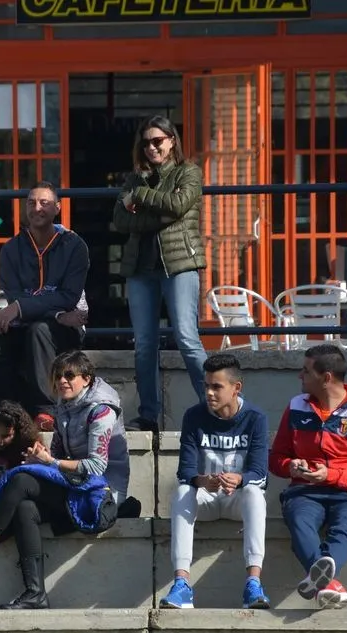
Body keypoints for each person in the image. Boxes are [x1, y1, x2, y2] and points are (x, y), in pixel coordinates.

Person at [0, 350, 128, 610]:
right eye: (57, 376)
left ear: (87, 379)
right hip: (74, 487)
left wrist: (51, 463)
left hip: (101, 496)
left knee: (22, 481)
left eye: (69, 375)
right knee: (25, 507)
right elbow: (58, 457)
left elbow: (96, 467)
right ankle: (35, 593)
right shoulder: (64, 407)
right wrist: (40, 459)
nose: (62, 381)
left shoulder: (101, 411)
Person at [269, 344, 347, 609]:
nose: (300, 375)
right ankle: (330, 585)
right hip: (305, 491)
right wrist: (290, 466)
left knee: (346, 527)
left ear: (326, 377)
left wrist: (331, 475)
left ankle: (323, 582)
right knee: (299, 519)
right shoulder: (296, 406)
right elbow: (276, 458)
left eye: (306, 370)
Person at [113, 115, 208, 433]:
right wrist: (159, 213)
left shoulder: (188, 172)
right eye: (146, 143)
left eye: (158, 141)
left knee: (187, 338)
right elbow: (121, 221)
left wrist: (140, 198)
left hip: (179, 266)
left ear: (172, 141)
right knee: (144, 344)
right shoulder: (135, 177)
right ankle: (148, 416)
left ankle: (214, 408)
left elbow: (179, 205)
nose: (151, 148)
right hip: (141, 269)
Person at [0, 181, 89, 430]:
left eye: (44, 203)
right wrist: (54, 312)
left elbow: (69, 297)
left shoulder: (74, 246)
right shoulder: (11, 249)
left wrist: (22, 308)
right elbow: (15, 296)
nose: (37, 208)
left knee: (39, 331)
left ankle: (47, 411)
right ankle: (19, 409)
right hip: (28, 324)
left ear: (57, 208)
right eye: (31, 203)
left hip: (63, 331)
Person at [160, 354, 270, 610]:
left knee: (254, 492)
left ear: (236, 388)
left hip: (237, 500)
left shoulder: (255, 417)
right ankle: (181, 584)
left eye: (216, 387)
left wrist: (240, 479)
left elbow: (260, 473)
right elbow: (185, 471)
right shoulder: (194, 415)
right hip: (206, 498)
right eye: (206, 386)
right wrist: (202, 480)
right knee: (183, 491)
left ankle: (253, 584)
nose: (209, 393)